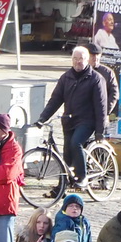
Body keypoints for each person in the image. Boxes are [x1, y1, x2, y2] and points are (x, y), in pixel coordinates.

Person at [37, 46, 107, 186]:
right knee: (67, 153)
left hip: (87, 121)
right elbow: (55, 99)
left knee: (76, 143)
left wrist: (100, 130)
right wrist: (42, 118)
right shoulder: (66, 77)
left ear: (87, 60)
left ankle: (82, 177)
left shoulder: (96, 79)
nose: (77, 62)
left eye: (81, 59)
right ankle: (63, 185)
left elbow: (101, 106)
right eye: (75, 59)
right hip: (68, 121)